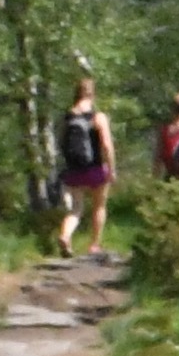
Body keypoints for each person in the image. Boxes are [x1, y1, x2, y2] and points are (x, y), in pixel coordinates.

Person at [52, 75, 114, 251]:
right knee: (99, 206)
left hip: (74, 170)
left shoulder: (67, 117)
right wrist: (111, 168)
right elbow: (107, 145)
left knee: (75, 209)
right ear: (92, 94)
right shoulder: (97, 117)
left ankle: (65, 235)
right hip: (95, 169)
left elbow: (60, 142)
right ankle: (94, 245)